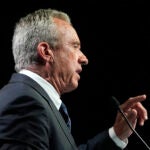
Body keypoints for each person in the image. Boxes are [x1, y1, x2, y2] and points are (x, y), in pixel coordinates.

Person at [0, 8, 148, 150]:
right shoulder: (25, 103)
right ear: (46, 52)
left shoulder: (31, 99)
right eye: (75, 46)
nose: (84, 59)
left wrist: (116, 135)